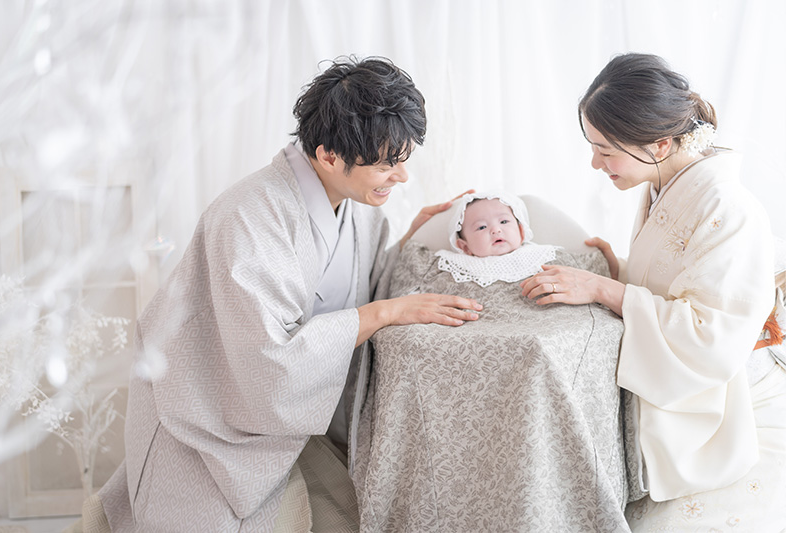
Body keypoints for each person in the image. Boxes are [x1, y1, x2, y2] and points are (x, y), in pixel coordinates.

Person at [80, 56, 482, 533]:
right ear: (329, 155)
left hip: (271, 425)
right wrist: (384, 311)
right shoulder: (248, 215)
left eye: (403, 159)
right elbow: (267, 364)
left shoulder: (360, 213)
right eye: (384, 164)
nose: (401, 177)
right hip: (205, 421)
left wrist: (413, 240)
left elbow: (357, 286)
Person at [520, 52, 784, 530]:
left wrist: (604, 289)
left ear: (660, 144)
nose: (595, 163)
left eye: (605, 150)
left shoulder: (730, 210)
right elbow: (672, 281)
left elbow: (711, 339)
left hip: (712, 401)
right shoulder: (664, 181)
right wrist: (618, 270)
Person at [432, 190, 559, 287]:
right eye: (482, 227)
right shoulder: (455, 267)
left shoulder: (540, 256)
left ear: (521, 231)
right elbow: (414, 262)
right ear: (464, 246)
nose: (495, 230)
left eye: (503, 221)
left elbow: (574, 271)